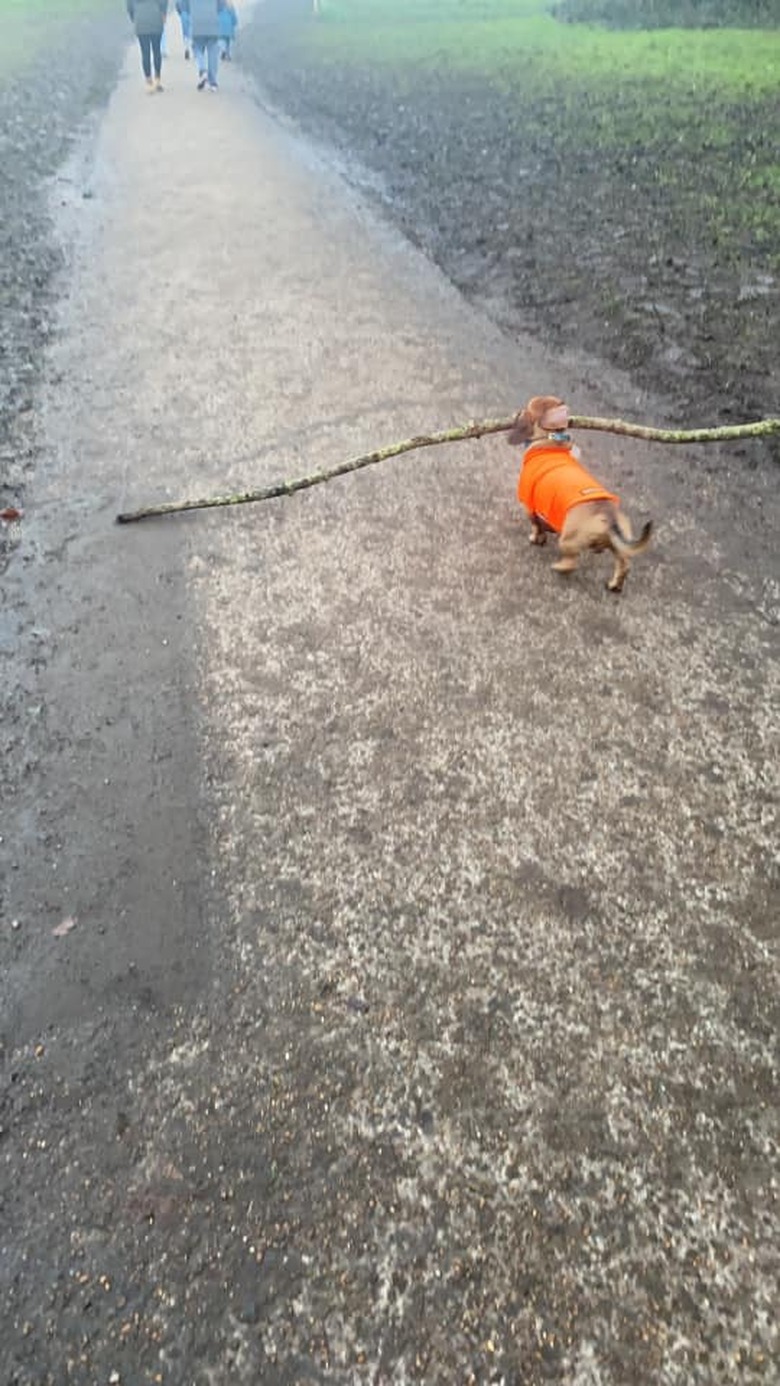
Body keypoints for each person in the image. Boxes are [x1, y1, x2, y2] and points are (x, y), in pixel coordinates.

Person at [180, 0, 225, 92]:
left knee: (196, 48)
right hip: (212, 22)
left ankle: (202, 69)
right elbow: (221, 6)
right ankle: (213, 83)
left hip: (196, 23)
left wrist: (193, 10)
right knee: (213, 53)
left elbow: (183, 6)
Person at [127, 0, 168, 93]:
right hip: (156, 19)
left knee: (145, 53)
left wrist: (134, 17)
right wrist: (163, 13)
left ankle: (149, 82)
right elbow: (164, 2)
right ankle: (157, 80)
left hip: (140, 20)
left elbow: (129, 6)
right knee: (157, 51)